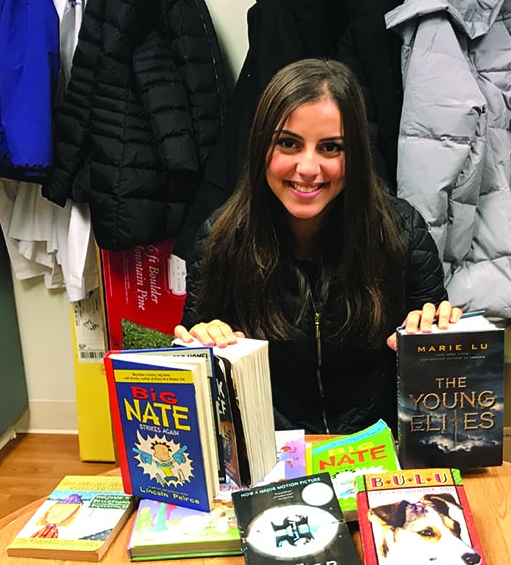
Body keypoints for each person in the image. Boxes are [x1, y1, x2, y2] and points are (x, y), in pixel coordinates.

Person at [175, 58, 460, 435]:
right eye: (288, 144)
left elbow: (441, 383)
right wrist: (201, 344)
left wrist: (440, 341)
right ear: (261, 146)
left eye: (330, 147)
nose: (308, 168)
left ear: (355, 154)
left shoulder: (402, 232)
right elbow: (196, 379)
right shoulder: (221, 240)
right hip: (270, 451)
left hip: (383, 447)